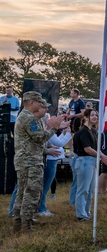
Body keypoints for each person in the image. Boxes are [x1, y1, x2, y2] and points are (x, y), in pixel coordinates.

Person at [11, 91, 66, 232]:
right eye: (39, 102)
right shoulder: (29, 118)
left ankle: (19, 224)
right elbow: (40, 138)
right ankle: (25, 226)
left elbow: (35, 142)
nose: (41, 105)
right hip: (30, 162)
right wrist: (55, 127)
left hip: (26, 160)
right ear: (31, 103)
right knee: (31, 193)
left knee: (22, 193)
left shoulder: (25, 116)